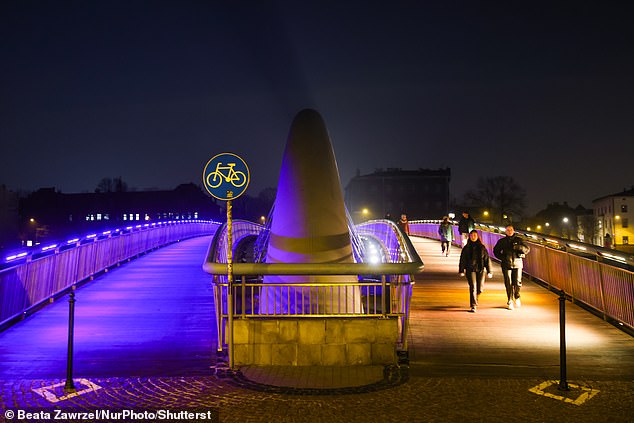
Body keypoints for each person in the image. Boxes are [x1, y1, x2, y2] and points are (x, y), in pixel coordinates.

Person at [493, 225, 530, 310]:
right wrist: (502, 257)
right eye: (508, 230)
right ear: (505, 231)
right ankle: (510, 300)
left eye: (511, 230)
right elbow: (495, 251)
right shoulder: (502, 241)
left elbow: (527, 249)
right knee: (508, 283)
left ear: (513, 231)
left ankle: (517, 296)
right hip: (506, 264)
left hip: (517, 264)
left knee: (517, 282)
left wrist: (518, 247)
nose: (509, 231)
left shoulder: (519, 240)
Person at [459, 230, 493, 312]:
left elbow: (487, 259)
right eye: (471, 235)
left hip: (480, 269)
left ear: (477, 237)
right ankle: (473, 305)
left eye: (475, 235)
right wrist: (461, 270)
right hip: (470, 269)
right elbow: (462, 259)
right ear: (469, 237)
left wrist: (489, 271)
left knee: (480, 288)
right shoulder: (466, 248)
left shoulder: (482, 247)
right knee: (473, 287)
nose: (473, 237)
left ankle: (476, 298)